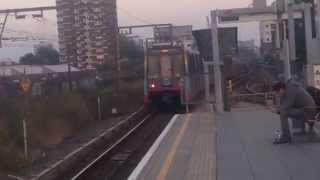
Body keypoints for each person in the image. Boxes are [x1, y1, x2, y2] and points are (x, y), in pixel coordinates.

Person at [272, 80, 317, 144]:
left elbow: (286, 106)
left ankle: (286, 137)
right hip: (307, 110)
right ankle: (302, 131)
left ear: (281, 89)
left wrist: (278, 110)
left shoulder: (291, 90)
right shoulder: (288, 89)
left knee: (283, 113)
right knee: (283, 111)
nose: (277, 95)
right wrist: (279, 109)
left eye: (277, 93)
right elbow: (283, 105)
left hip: (308, 112)